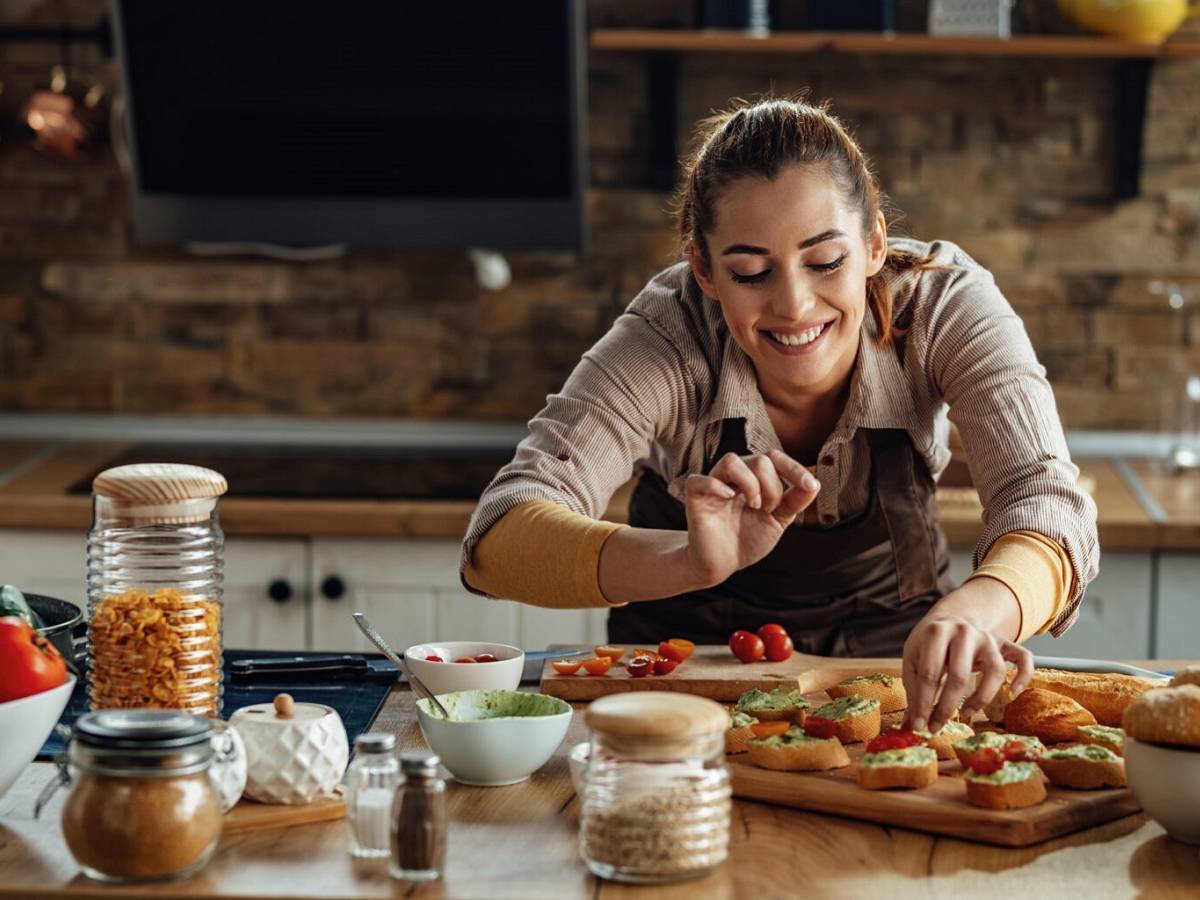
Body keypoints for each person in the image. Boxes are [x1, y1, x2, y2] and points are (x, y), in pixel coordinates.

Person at [459, 97, 1098, 734]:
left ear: (875, 242)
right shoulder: (667, 335)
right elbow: (497, 539)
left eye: (826, 262)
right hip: (684, 677)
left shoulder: (943, 305)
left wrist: (980, 613)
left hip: (897, 664)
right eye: (751, 272)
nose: (793, 304)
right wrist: (687, 559)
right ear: (704, 270)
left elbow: (1046, 500)